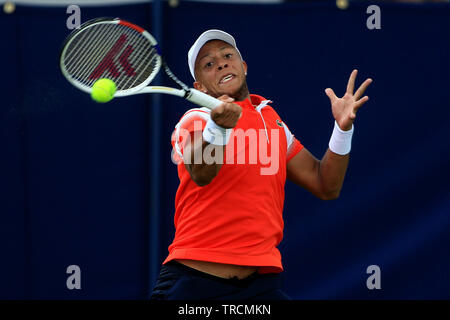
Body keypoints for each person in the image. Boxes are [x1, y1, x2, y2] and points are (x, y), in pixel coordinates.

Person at [150, 29, 372, 300]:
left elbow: (325, 185)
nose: (221, 63)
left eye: (227, 56)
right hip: (195, 285)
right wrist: (218, 129)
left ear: (243, 67)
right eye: (208, 64)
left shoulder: (271, 120)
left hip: (260, 288)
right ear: (200, 87)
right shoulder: (196, 119)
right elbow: (201, 172)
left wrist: (342, 129)